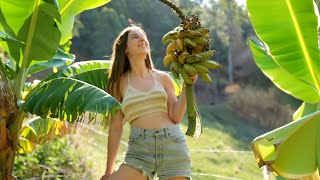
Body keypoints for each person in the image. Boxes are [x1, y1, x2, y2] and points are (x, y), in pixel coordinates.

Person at [100, 25, 197, 180]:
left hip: (172, 143)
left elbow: (175, 117)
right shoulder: (117, 84)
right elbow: (116, 128)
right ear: (125, 48)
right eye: (135, 37)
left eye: (143, 36)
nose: (142, 39)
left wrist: (187, 86)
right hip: (140, 150)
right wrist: (108, 171)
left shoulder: (163, 78)